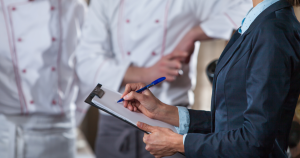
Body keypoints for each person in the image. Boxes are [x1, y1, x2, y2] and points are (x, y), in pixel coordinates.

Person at [120, 0, 300, 157]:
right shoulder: (261, 22)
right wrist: (162, 111)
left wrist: (178, 143)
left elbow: (254, 141)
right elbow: (232, 122)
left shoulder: (271, 32)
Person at [75, 0, 251, 157]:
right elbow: (86, 63)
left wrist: (194, 34)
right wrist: (147, 73)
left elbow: (250, 6)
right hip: (115, 125)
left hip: (171, 123)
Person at [0, 0, 88, 157]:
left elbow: (88, 70)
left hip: (60, 130)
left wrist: (72, 120)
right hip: (8, 130)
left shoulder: (74, 6)